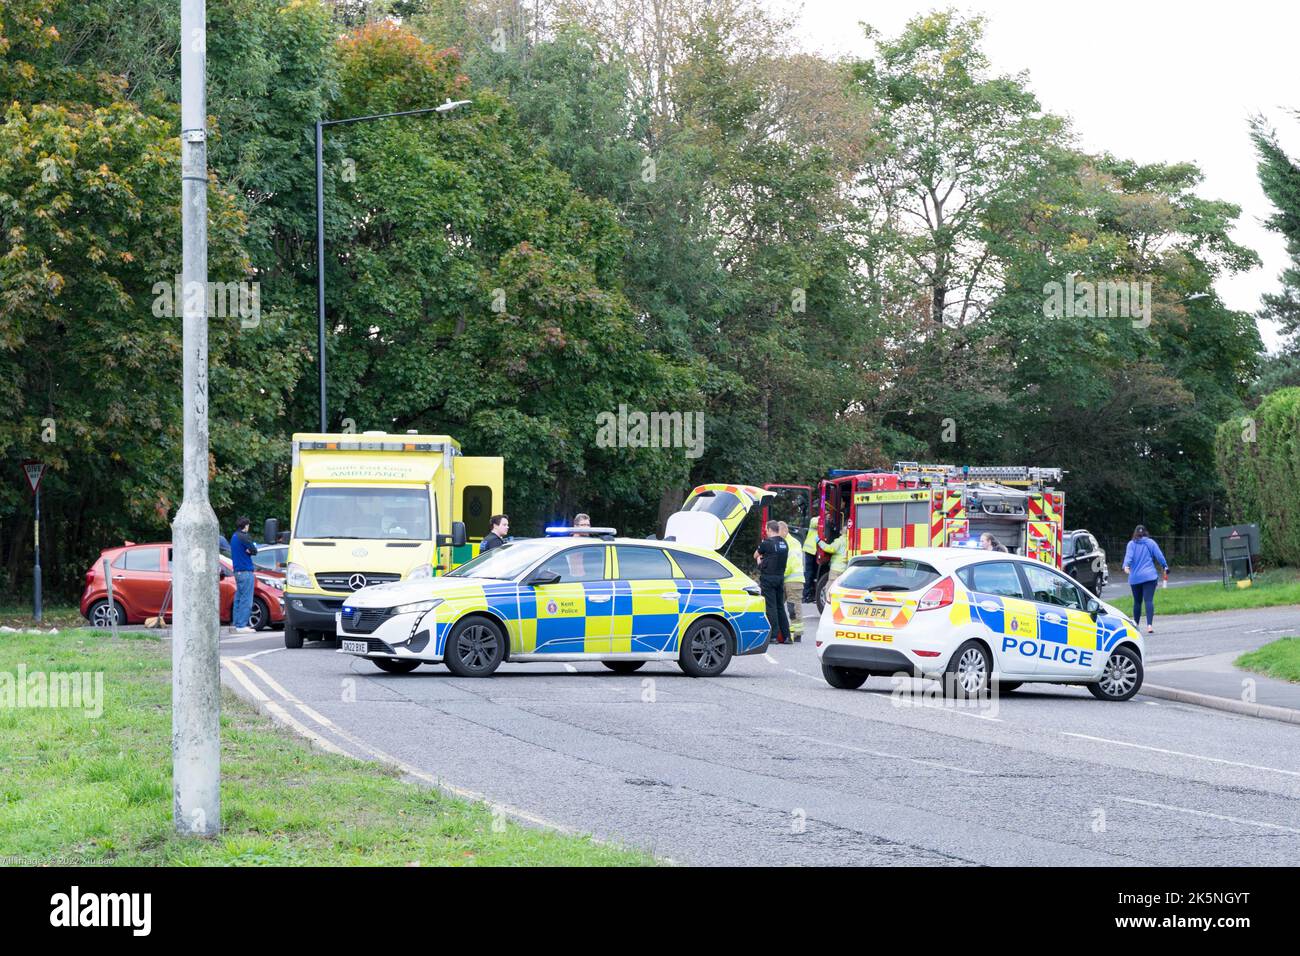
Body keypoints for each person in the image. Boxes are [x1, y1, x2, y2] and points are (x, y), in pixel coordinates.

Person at [1122, 525, 1169, 634]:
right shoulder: (1151, 543)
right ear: (1146, 533)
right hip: (1149, 576)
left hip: (1135, 578)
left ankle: (1136, 625)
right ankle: (1149, 626)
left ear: (1135, 533)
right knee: (1148, 600)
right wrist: (1165, 566)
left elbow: (1128, 557)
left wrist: (1126, 566)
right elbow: (1159, 555)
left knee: (1137, 602)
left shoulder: (1131, 544)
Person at [753, 520, 792, 645]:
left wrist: (760, 560)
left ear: (769, 529)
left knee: (771, 607)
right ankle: (787, 636)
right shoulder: (784, 543)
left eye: (766, 529)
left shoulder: (767, 543)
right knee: (780, 606)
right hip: (780, 577)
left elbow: (756, 555)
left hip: (768, 579)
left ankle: (774, 636)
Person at [230, 516, 258, 633]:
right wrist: (251, 550)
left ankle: (236, 623)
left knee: (239, 598)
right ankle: (242, 625)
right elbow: (254, 550)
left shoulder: (234, 537)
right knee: (246, 599)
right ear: (246, 526)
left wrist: (249, 550)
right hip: (246, 571)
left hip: (237, 571)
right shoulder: (244, 537)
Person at [777, 521, 804, 641]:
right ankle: (785, 632)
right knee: (781, 606)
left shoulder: (792, 543)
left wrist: (780, 573)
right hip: (787, 579)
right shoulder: (785, 541)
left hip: (793, 580)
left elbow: (791, 563)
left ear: (784, 530)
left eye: (778, 531)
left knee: (793, 608)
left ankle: (796, 634)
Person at [818, 520, 848, 591]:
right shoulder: (850, 541)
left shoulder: (839, 541)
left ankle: (828, 601)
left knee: (830, 587)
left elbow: (830, 549)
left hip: (836, 568)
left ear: (841, 532)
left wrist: (819, 542)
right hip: (845, 568)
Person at [801, 521, 821, 604]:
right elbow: (814, 523)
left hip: (815, 551)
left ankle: (811, 595)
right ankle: (805, 595)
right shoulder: (815, 519)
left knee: (814, 574)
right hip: (810, 550)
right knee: (809, 574)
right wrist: (823, 516)